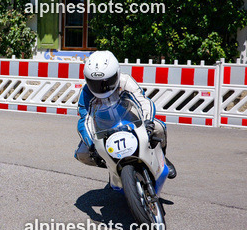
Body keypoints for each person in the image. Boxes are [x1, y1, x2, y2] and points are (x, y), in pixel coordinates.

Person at [74, 50, 177, 179]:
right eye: (95, 83)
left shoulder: (125, 81)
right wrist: (92, 144)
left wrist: (147, 122)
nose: (102, 87)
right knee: (82, 154)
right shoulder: (84, 93)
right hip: (102, 128)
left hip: (129, 119)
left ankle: (161, 157)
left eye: (107, 81)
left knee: (159, 128)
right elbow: (85, 120)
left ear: (117, 74)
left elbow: (143, 101)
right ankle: (112, 165)